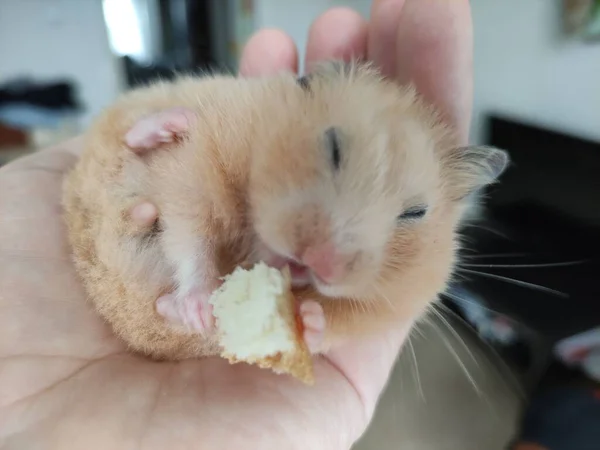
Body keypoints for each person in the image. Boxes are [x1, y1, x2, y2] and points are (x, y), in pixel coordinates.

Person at [0, 1, 472, 448]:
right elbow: (191, 170)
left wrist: (321, 329)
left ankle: (184, 297)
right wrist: (198, 276)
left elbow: (367, 316)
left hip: (164, 306)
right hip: (142, 228)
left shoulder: (414, 268)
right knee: (183, 155)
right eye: (332, 153)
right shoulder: (252, 123)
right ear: (310, 91)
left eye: (410, 214)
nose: (327, 254)